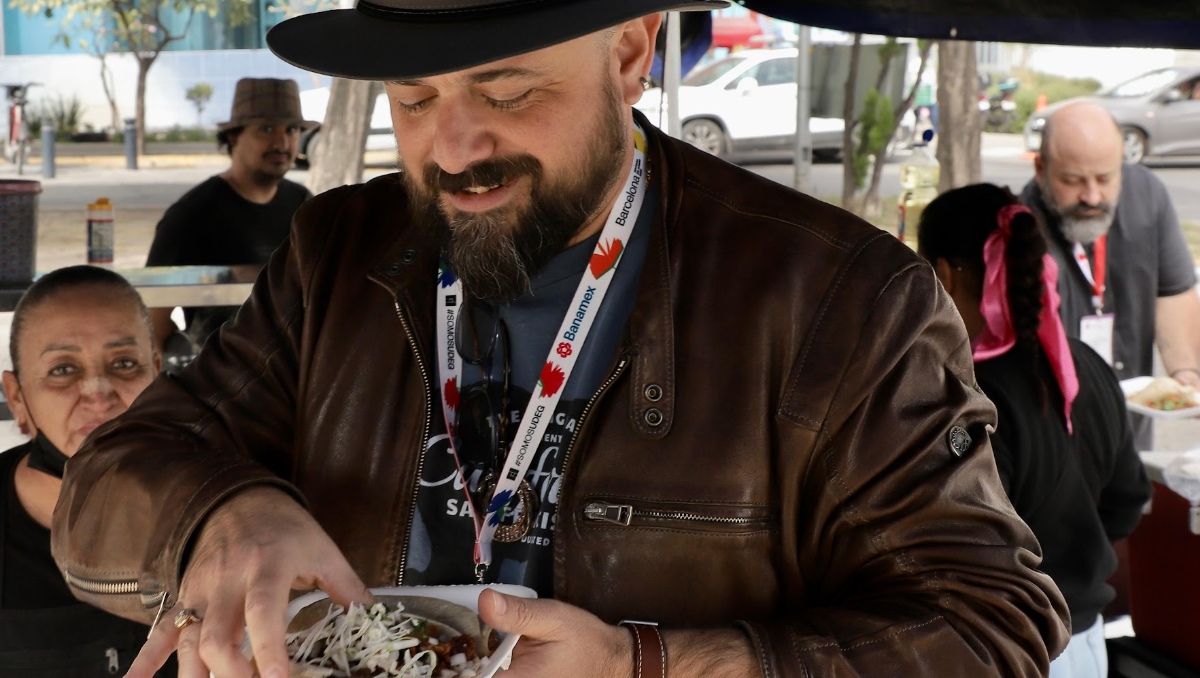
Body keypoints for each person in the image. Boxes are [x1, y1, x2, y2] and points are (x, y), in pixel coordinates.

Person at [55, 3, 1070, 677]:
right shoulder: (340, 253)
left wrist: (649, 665)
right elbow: (114, 475)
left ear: (630, 51)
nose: (454, 150)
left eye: (506, 91)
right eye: (416, 102)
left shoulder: (840, 297)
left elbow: (993, 629)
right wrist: (218, 515)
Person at [918, 184, 1152, 678]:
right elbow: (1127, 499)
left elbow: (959, 546)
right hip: (1084, 644)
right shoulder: (1085, 365)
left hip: (998, 650)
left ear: (942, 275)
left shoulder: (963, 395)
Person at [0, 265, 171, 676]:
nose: (99, 394)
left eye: (125, 363)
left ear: (158, 377)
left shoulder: (220, 507)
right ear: (17, 398)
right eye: (63, 370)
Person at [1022, 101, 1200, 450]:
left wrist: (1185, 375)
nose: (1091, 196)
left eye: (1105, 178)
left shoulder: (1148, 195)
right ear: (1041, 169)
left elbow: (1173, 292)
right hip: (1055, 436)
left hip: (1131, 430)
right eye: (1072, 181)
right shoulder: (1021, 226)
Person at [144, 77, 317, 357]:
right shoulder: (192, 215)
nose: (282, 142)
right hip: (220, 380)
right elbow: (154, 323)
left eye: (292, 129)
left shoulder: (303, 204)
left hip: (296, 373)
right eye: (266, 129)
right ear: (234, 136)